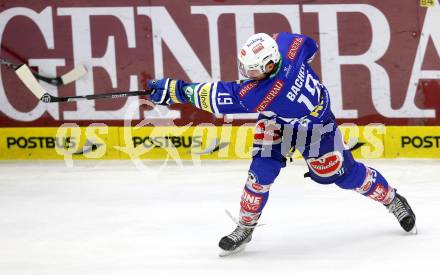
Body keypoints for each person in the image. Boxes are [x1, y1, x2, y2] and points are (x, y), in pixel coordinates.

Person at [146, 32, 417, 256]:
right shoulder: (287, 44)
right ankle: (245, 225)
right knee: (260, 174)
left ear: (268, 66)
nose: (246, 74)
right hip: (280, 120)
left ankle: (393, 200)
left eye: (252, 70)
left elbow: (215, 96)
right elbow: (310, 46)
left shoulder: (261, 94)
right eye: (246, 68)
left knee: (344, 175)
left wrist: (175, 90)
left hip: (316, 129)